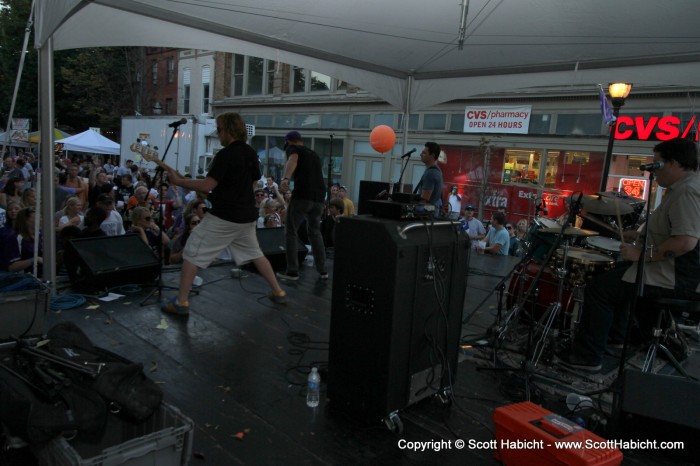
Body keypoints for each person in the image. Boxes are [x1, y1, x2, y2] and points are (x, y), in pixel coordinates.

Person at [559, 138, 700, 372]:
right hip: (671, 270)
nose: (652, 171)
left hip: (676, 276)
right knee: (620, 277)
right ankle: (617, 338)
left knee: (600, 289)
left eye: (656, 164)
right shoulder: (686, 187)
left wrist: (642, 254)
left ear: (674, 163)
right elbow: (674, 231)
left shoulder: (687, 192)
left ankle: (588, 357)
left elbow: (685, 242)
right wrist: (641, 235)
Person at [160, 112, 287, 315]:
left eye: (219, 130)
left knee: (192, 251)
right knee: (256, 253)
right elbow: (251, 182)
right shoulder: (250, 152)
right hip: (246, 215)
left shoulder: (226, 154)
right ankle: (278, 291)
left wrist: (179, 181)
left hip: (225, 216)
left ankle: (181, 302)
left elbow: (209, 184)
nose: (218, 134)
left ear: (228, 130)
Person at [277, 130, 328, 281]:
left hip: (303, 195)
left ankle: (292, 271)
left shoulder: (293, 149)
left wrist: (285, 179)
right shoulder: (314, 154)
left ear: (288, 142)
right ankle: (323, 270)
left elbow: (293, 160)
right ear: (301, 140)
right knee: (315, 231)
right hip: (319, 197)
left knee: (291, 231)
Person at [414, 141, 443, 216]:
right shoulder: (437, 171)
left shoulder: (430, 174)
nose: (420, 155)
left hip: (427, 217)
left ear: (432, 155)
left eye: (424, 153)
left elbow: (425, 200)